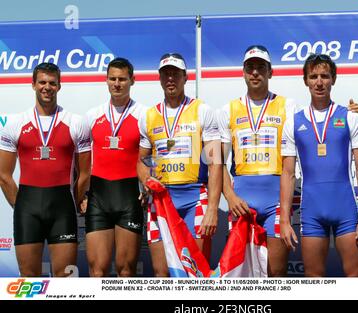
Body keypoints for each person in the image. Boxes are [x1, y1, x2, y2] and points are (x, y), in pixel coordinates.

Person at [280, 53, 358, 277]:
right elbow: (288, 172)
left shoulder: (350, 118)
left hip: (347, 210)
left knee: (355, 277)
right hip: (312, 211)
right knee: (314, 281)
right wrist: (284, 219)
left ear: (334, 79)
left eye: (324, 76)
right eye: (313, 76)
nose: (319, 82)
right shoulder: (293, 121)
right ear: (305, 81)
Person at [0, 62, 91, 277]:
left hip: (63, 209)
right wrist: (21, 205)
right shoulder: (15, 123)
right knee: (29, 281)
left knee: (65, 279)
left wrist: (71, 202)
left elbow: (85, 173)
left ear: (59, 86)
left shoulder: (76, 122)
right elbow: (4, 175)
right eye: (42, 82)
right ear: (33, 85)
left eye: (52, 83)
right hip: (27, 208)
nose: (46, 87)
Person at [218, 45, 300, 276]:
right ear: (243, 72)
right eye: (250, 68)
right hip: (242, 200)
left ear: (270, 72)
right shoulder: (228, 110)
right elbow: (218, 163)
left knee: (276, 272)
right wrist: (230, 196)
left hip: (277, 198)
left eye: (260, 68)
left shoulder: (288, 106)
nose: (255, 73)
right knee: (240, 272)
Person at [137, 53, 222, 277]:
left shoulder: (203, 111)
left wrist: (213, 208)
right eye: (166, 74)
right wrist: (147, 179)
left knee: (196, 272)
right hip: (161, 201)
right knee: (161, 272)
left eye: (175, 73)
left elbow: (215, 163)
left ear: (185, 77)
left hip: (195, 196)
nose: (171, 78)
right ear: (160, 78)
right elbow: (141, 160)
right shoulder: (149, 116)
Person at [85, 57, 147, 277]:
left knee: (126, 269)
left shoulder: (144, 115)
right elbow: (81, 160)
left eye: (122, 79)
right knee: (97, 270)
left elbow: (152, 156)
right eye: (113, 79)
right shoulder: (92, 116)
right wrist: (82, 194)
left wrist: (147, 186)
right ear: (106, 81)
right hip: (98, 198)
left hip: (129, 198)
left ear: (132, 80)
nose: (117, 83)